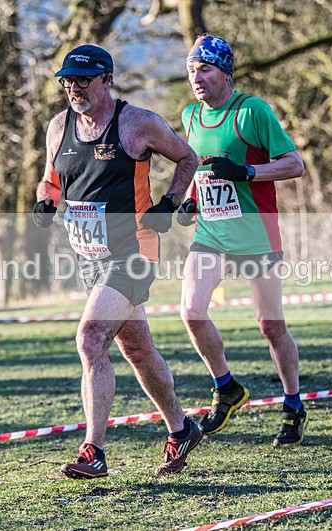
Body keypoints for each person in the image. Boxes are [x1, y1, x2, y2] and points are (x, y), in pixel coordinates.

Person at [33, 44, 201, 478]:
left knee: (90, 339)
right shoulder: (58, 127)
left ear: (107, 80)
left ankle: (94, 450)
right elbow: (50, 181)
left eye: (84, 81)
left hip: (135, 252)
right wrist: (45, 202)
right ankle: (182, 428)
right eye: (68, 81)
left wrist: (169, 202)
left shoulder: (136, 124)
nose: (74, 89)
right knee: (138, 349)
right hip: (90, 258)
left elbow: (188, 157)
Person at [177, 35, 307, 446]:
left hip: (256, 236)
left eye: (206, 69)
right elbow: (202, 170)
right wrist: (191, 202)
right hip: (211, 235)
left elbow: (294, 165)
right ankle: (227, 386)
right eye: (191, 70)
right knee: (192, 313)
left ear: (226, 73)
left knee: (271, 326)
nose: (197, 78)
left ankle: (292, 404)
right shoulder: (190, 117)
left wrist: (248, 173)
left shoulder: (252, 112)